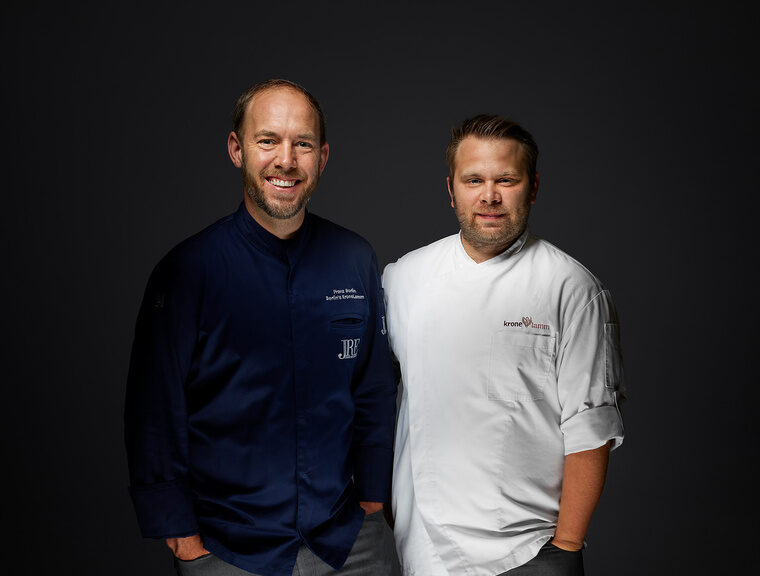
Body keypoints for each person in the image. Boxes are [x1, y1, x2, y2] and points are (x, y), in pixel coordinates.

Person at [125, 79, 399, 576]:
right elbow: (154, 412)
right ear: (237, 149)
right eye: (267, 140)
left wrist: (374, 499)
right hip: (227, 549)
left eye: (304, 144)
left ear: (323, 157)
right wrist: (185, 541)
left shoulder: (355, 258)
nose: (286, 160)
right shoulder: (187, 271)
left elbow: (374, 388)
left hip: (348, 542)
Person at [382, 115, 626, 576]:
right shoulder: (404, 279)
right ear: (450, 188)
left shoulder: (571, 288)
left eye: (506, 180)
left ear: (532, 187)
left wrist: (566, 549)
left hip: (528, 552)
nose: (489, 195)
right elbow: (371, 401)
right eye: (473, 179)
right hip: (422, 549)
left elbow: (590, 429)